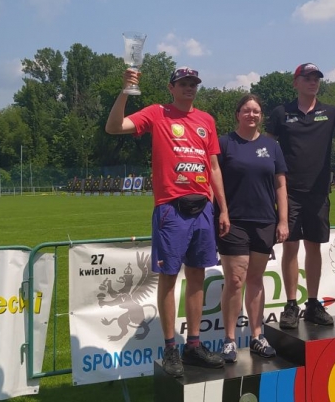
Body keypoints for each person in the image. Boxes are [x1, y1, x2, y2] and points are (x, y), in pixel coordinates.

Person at [104, 66, 230, 377]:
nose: (189, 88)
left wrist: (223, 209)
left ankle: (194, 345)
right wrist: (125, 91)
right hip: (171, 208)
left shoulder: (206, 121)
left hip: (203, 209)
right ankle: (171, 346)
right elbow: (114, 126)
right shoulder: (157, 113)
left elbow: (213, 166)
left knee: (197, 277)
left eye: (193, 84)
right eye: (183, 83)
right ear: (171, 87)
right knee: (170, 278)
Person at [265, 63, 335, 329]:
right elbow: (267, 146)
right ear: (295, 82)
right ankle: (291, 304)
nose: (313, 82)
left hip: (318, 192)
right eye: (307, 78)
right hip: (289, 192)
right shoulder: (281, 113)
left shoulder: (331, 112)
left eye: (316, 78)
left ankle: (312, 303)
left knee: (314, 247)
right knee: (290, 247)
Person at [217, 94, 289, 363]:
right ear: (237, 114)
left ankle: (257, 335)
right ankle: (229, 340)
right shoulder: (225, 143)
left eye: (256, 111)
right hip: (233, 222)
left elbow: (281, 185)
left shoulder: (272, 146)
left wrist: (282, 221)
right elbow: (216, 181)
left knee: (256, 280)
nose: (252, 115)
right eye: (246, 110)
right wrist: (222, 212)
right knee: (235, 280)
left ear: (261, 116)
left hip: (264, 221)